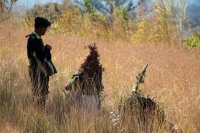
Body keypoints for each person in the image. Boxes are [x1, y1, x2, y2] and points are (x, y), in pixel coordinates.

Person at [26, 17, 56, 108]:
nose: (46, 30)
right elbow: (42, 57)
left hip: (39, 69)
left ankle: (39, 111)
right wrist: (47, 49)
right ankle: (38, 112)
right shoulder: (34, 39)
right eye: (46, 28)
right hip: (37, 69)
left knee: (41, 91)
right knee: (39, 92)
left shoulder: (36, 37)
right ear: (41, 28)